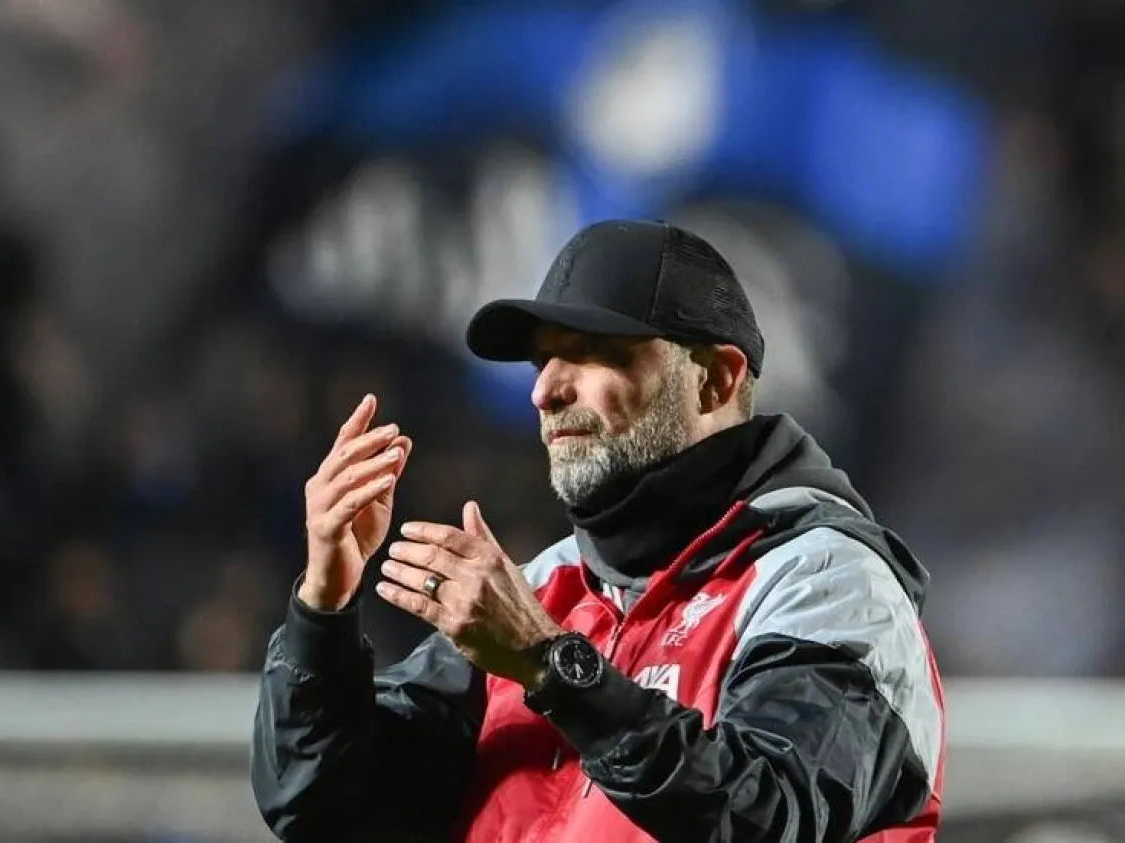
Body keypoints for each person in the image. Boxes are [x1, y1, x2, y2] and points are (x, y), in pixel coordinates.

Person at [250, 220, 945, 842]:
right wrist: (323, 608)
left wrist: (554, 667)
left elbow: (765, 815)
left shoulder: (827, 583)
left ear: (714, 380)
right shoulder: (540, 591)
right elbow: (325, 811)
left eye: (590, 352)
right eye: (541, 361)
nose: (545, 390)